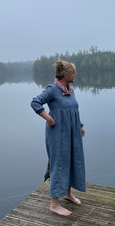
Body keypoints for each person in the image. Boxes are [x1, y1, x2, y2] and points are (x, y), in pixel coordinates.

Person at [31, 60, 86, 216]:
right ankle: (54, 204)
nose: (75, 75)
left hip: (72, 133)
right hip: (58, 135)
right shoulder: (52, 90)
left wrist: (80, 126)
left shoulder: (70, 90)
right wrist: (48, 118)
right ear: (68, 74)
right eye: (74, 72)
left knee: (72, 161)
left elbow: (74, 110)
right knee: (59, 164)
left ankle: (67, 194)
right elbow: (35, 103)